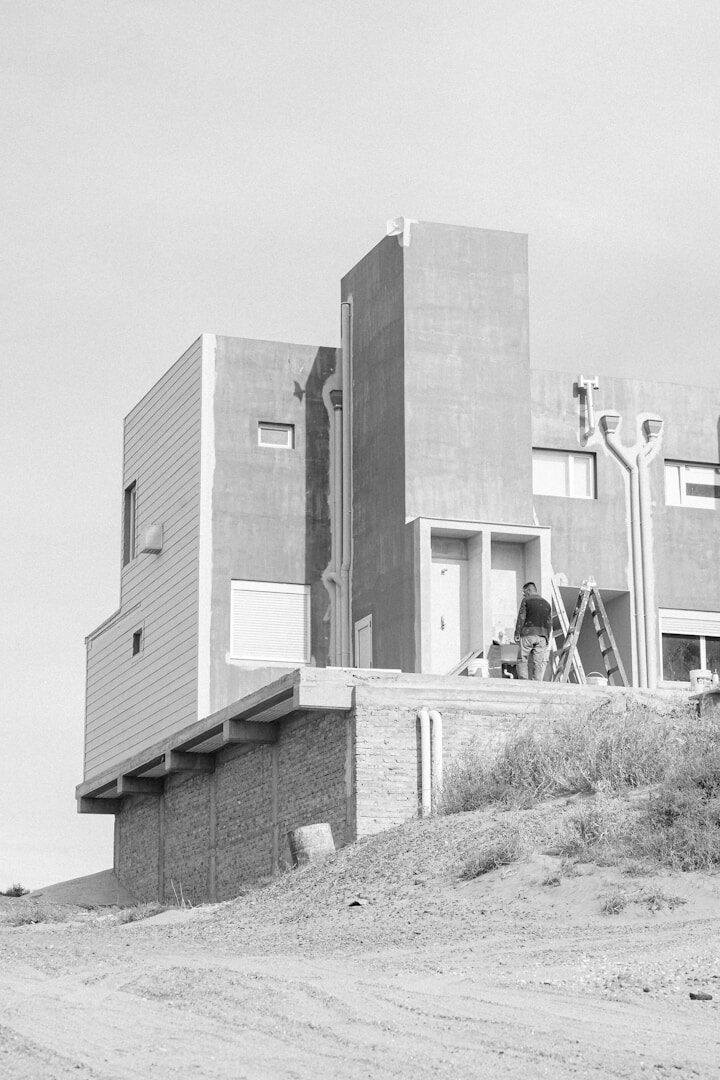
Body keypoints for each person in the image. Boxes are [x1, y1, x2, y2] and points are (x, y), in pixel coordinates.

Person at [514, 582, 552, 681]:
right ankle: (537, 683)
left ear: (529, 590)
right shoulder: (547, 603)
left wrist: (517, 633)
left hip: (528, 634)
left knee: (522, 659)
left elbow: (521, 618)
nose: (523, 594)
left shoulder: (526, 600)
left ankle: (524, 682)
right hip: (542, 637)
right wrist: (547, 638)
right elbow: (549, 623)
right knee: (538, 662)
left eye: (524, 592)